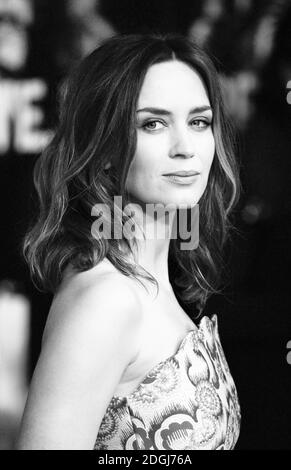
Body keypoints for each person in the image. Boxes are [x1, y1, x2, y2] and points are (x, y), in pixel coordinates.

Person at [16, 33, 241, 450]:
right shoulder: (108, 299)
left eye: (199, 121)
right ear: (103, 148)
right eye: (153, 123)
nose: (185, 148)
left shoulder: (152, 282)